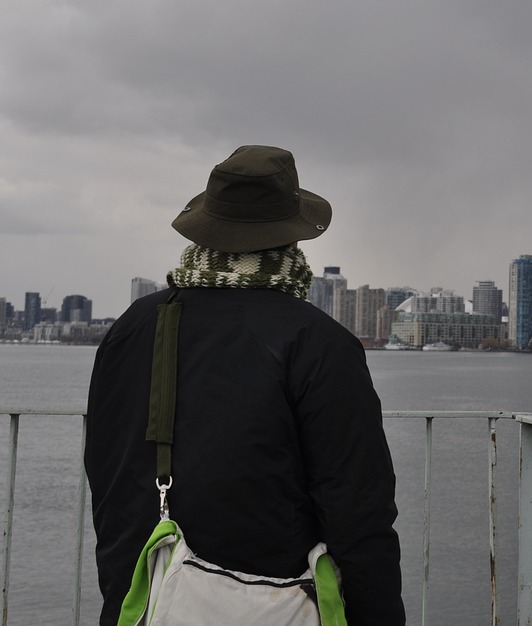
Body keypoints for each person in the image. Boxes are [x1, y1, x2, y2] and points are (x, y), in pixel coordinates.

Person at [85, 145, 405, 626]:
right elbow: (359, 513)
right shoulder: (318, 342)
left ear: (207, 226)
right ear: (292, 237)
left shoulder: (132, 326)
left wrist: (120, 590)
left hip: (145, 601)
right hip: (272, 603)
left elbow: (107, 475)